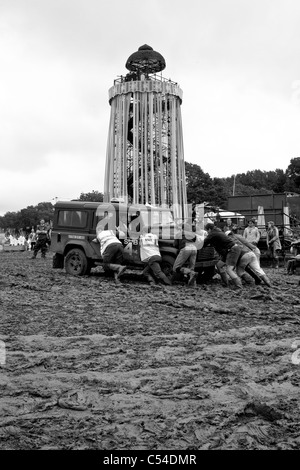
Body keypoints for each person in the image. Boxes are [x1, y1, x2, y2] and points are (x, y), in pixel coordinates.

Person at [203, 223, 243, 289]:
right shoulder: (218, 231)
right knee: (219, 265)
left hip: (231, 250)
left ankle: (239, 285)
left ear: (209, 229)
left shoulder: (212, 234)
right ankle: (226, 283)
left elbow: (204, 243)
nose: (207, 232)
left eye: (207, 230)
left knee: (229, 269)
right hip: (229, 250)